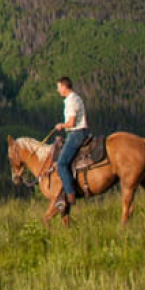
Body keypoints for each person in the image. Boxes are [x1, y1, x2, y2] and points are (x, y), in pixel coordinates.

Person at [48, 76, 88, 213]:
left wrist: (61, 125)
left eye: (58, 87)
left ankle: (70, 194)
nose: (57, 90)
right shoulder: (74, 98)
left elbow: (71, 123)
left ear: (65, 87)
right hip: (75, 133)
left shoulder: (71, 101)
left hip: (76, 133)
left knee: (61, 164)